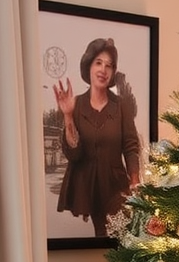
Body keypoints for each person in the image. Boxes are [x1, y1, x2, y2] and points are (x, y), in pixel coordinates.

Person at [54, 37, 141, 236]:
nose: (103, 70)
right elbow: (73, 155)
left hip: (115, 185)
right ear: (89, 66)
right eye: (98, 63)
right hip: (89, 188)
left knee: (122, 239)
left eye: (109, 66)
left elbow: (130, 146)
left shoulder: (121, 106)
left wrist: (134, 180)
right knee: (101, 238)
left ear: (113, 72)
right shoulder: (75, 105)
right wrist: (68, 115)